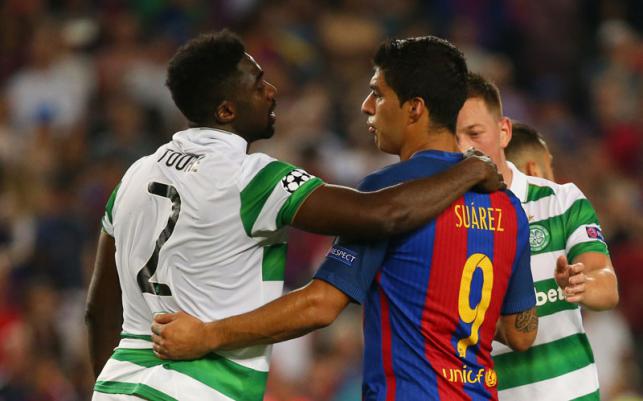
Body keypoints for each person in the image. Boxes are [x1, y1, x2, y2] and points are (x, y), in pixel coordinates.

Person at [85, 31, 505, 401]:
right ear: (227, 111)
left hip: (116, 387)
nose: (271, 91)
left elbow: (98, 312)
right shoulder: (252, 178)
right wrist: (470, 169)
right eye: (257, 84)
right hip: (201, 389)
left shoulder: (133, 176)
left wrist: (111, 384)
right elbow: (383, 213)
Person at [456, 73, 619, 401]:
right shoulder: (445, 218)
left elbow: (607, 285)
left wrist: (581, 283)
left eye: (474, 133)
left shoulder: (562, 201)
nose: (464, 148)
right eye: (454, 137)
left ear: (503, 131)